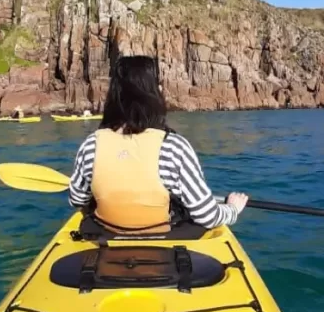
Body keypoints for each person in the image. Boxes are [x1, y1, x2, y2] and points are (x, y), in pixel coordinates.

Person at [68, 55, 248, 233]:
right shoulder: (174, 147)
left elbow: (76, 200)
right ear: (155, 92)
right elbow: (207, 216)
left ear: (113, 95)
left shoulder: (91, 145)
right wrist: (232, 209)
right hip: (161, 238)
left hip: (106, 235)